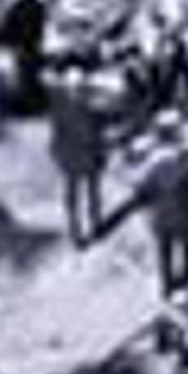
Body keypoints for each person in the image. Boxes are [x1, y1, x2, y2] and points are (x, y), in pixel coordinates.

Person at [47, 57, 113, 248]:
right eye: (73, 80)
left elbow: (101, 123)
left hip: (92, 153)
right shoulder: (58, 102)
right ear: (66, 81)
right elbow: (57, 130)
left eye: (80, 80)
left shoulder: (92, 97)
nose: (77, 83)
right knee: (72, 197)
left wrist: (102, 147)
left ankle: (96, 225)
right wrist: (58, 154)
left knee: (94, 194)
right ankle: (76, 233)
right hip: (71, 155)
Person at [142, 125, 188, 298]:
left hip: (162, 220)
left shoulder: (154, 171)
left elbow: (144, 194)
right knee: (187, 248)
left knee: (165, 254)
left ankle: (167, 285)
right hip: (184, 218)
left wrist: (149, 208)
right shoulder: (185, 170)